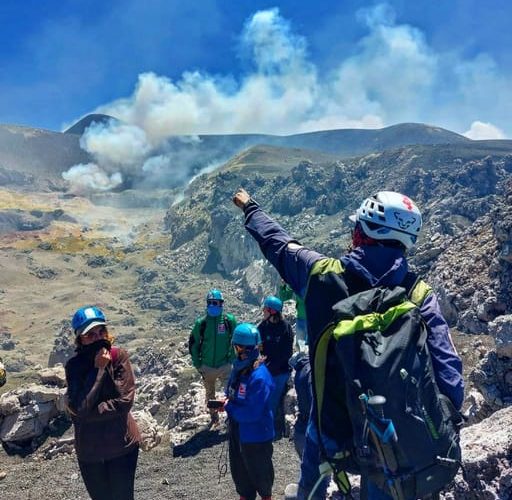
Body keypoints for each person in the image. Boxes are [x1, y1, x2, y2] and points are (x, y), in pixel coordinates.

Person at [233, 189, 464, 500]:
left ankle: (308, 494)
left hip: (331, 431)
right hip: (395, 439)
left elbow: (277, 243)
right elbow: (449, 375)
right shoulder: (419, 294)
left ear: (361, 231)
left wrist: (250, 208)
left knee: (312, 469)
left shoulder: (321, 274)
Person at [65, 306, 140, 500]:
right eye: (90, 335)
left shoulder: (118, 357)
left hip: (122, 447)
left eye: (101, 332)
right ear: (80, 339)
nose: (98, 338)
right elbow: (79, 407)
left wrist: (87, 415)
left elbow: (124, 402)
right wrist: (98, 370)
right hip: (90, 453)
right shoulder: (74, 366)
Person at [224, 322, 275, 500]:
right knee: (241, 477)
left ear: (246, 349)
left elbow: (252, 413)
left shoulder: (259, 377)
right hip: (239, 432)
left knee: (261, 479)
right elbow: (229, 390)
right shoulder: (239, 369)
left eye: (237, 347)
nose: (235, 351)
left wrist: (229, 407)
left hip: (256, 436)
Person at [189, 288, 237, 426]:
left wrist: (232, 359)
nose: (212, 306)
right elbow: (193, 344)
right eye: (210, 303)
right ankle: (214, 418)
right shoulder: (201, 323)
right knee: (210, 395)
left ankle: (231, 418)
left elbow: (235, 340)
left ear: (221, 304)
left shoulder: (229, 321)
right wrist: (198, 364)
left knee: (230, 391)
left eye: (215, 303)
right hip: (207, 366)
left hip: (225, 365)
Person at [258, 295, 294, 439]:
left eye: (265, 309)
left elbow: (286, 353)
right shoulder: (263, 326)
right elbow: (258, 347)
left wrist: (269, 367)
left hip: (279, 371)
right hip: (266, 369)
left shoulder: (285, 328)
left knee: (271, 401)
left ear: (272, 311)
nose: (263, 312)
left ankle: (269, 431)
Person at [279, 281, 308, 351]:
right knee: (300, 348)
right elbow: (285, 297)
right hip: (301, 318)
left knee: (311, 346)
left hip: (313, 319)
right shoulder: (298, 279)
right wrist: (284, 286)